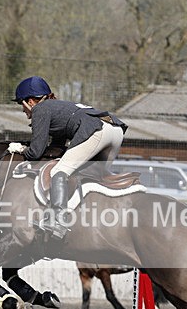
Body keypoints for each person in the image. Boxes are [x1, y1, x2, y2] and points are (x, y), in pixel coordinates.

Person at [8, 76, 127, 238]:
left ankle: (58, 221)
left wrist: (21, 149)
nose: (23, 111)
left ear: (29, 101)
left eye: (20, 105)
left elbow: (35, 152)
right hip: (115, 130)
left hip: (97, 131)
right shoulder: (58, 108)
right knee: (92, 178)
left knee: (59, 172)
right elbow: (57, 148)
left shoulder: (40, 109)